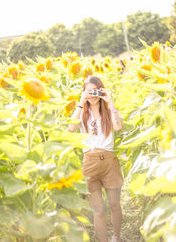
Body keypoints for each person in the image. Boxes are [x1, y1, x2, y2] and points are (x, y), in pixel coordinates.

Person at [68, 76, 124, 242]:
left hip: (109, 161)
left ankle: (116, 237)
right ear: (84, 92)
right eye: (88, 91)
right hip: (90, 162)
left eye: (95, 91)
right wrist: (80, 102)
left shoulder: (108, 110)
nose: (92, 95)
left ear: (101, 90)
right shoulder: (82, 112)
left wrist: (110, 102)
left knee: (114, 205)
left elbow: (118, 126)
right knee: (98, 210)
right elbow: (71, 128)